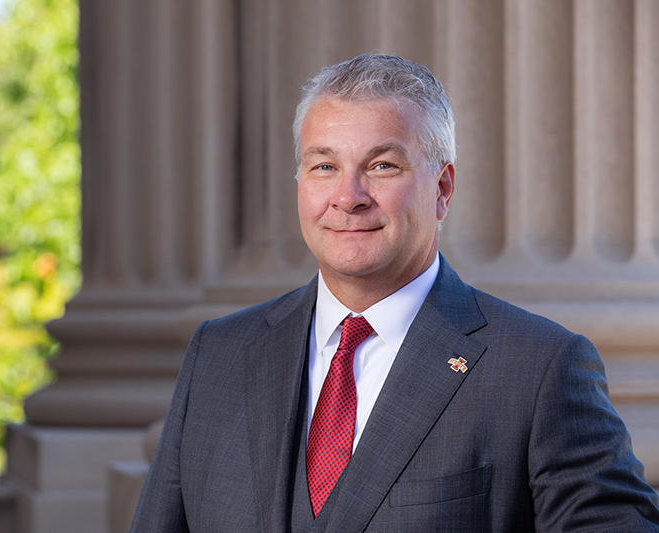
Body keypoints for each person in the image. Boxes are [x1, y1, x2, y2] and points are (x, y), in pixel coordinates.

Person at [130, 53, 659, 532]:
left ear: (443, 189)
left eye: (382, 166)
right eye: (324, 166)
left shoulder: (541, 369)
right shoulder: (217, 354)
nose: (348, 197)